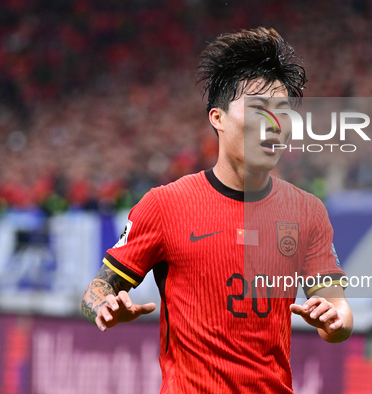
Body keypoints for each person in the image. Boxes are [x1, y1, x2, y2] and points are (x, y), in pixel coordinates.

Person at [82, 27, 353, 393]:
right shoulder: (165, 205)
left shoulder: (307, 212)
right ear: (218, 118)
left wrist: (335, 320)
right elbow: (96, 290)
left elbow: (338, 313)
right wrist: (106, 306)